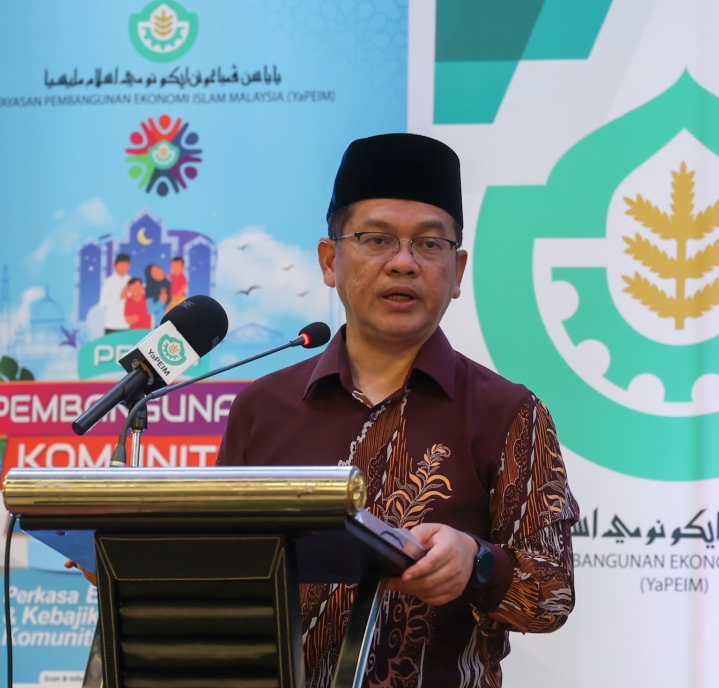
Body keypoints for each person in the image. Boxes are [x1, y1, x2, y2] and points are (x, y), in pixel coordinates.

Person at [218, 133, 579, 688]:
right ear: (329, 259)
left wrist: (476, 563)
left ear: (457, 272)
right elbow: (228, 581)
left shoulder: (509, 414)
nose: (404, 263)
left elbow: (551, 597)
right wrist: (150, 569)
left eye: (430, 244)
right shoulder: (261, 408)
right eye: (376, 239)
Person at [99, 254, 132, 335]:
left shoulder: (132, 281)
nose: (123, 268)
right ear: (114, 265)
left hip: (127, 325)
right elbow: (103, 302)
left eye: (125, 266)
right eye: (120, 266)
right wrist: (119, 297)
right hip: (111, 325)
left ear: (129, 266)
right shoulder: (109, 282)